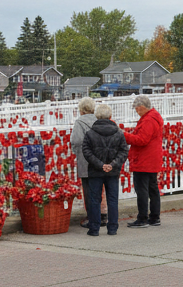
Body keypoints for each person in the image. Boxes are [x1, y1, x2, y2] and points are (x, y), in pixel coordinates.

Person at [82, 102, 128, 237]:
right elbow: (124, 151)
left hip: (95, 171)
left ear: (97, 116)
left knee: (94, 199)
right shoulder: (118, 133)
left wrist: (100, 164)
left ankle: (94, 228)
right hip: (113, 171)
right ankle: (112, 227)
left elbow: (86, 151)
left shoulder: (90, 133)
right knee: (112, 199)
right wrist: (112, 164)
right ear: (110, 116)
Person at [124, 94, 164, 228]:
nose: (136, 111)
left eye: (136, 108)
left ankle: (143, 218)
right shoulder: (154, 117)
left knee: (142, 190)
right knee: (152, 189)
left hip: (144, 160)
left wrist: (124, 135)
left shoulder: (148, 120)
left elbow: (142, 140)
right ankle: (154, 217)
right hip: (152, 159)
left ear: (141, 107)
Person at [70, 96, 98, 228]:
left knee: (88, 190)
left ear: (81, 110)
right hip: (99, 160)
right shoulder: (99, 120)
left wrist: (77, 152)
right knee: (98, 189)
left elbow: (76, 141)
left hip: (85, 160)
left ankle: (91, 218)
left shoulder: (79, 122)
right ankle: (100, 215)